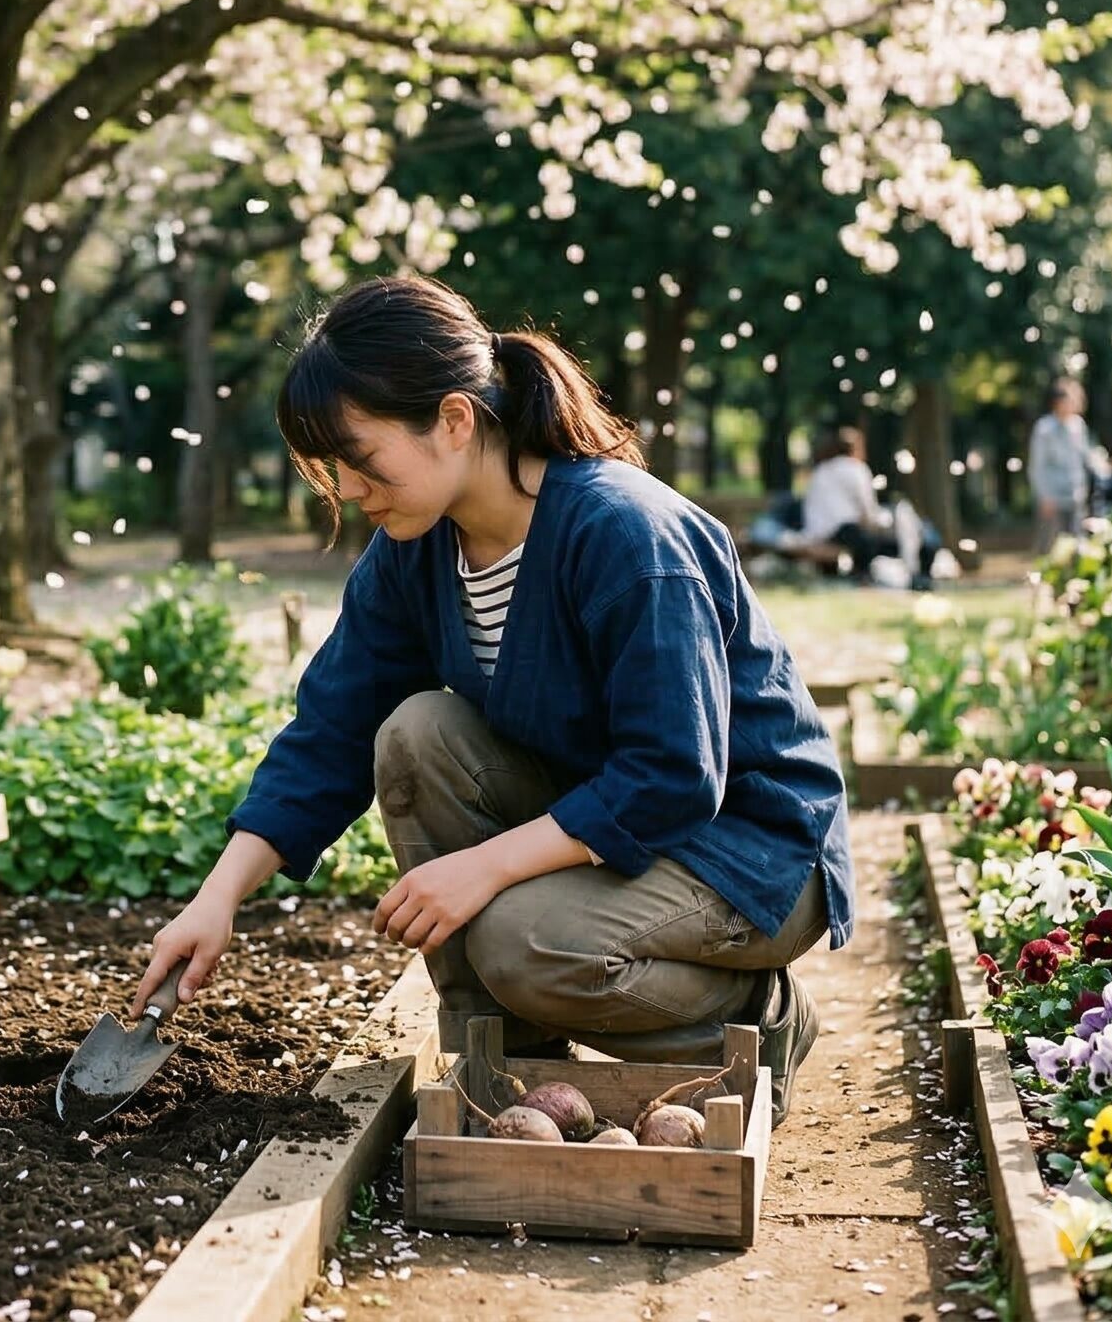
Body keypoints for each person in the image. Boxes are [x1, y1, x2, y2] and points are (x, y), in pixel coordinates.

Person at [132, 275, 853, 1127]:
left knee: (525, 941)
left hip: (745, 845)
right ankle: (504, 1060)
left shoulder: (623, 534)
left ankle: (760, 1027)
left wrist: (481, 868)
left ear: (453, 420)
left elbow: (674, 774)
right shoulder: (417, 546)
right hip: (612, 823)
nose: (348, 488)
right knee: (415, 732)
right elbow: (333, 722)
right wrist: (216, 900)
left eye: (359, 458)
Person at [798, 428, 934, 585]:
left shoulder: (821, 470)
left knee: (866, 538)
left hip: (816, 531)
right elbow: (868, 513)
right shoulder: (856, 469)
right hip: (841, 531)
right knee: (878, 540)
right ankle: (909, 574)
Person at [1029, 379, 1107, 551]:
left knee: (1075, 545)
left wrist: (1104, 464)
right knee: (1050, 546)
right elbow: (1037, 466)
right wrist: (1044, 496)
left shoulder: (1078, 426)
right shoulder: (1044, 429)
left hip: (1075, 495)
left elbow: (1087, 455)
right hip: (1053, 498)